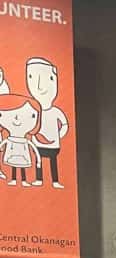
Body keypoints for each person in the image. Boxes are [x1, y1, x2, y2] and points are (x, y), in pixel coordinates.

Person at [26, 57, 68, 189]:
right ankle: (39, 179)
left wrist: (59, 134)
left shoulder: (55, 111)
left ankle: (55, 180)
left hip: (53, 145)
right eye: (32, 77)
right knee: (38, 161)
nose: (39, 86)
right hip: (38, 143)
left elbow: (65, 124)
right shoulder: (33, 109)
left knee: (52, 162)